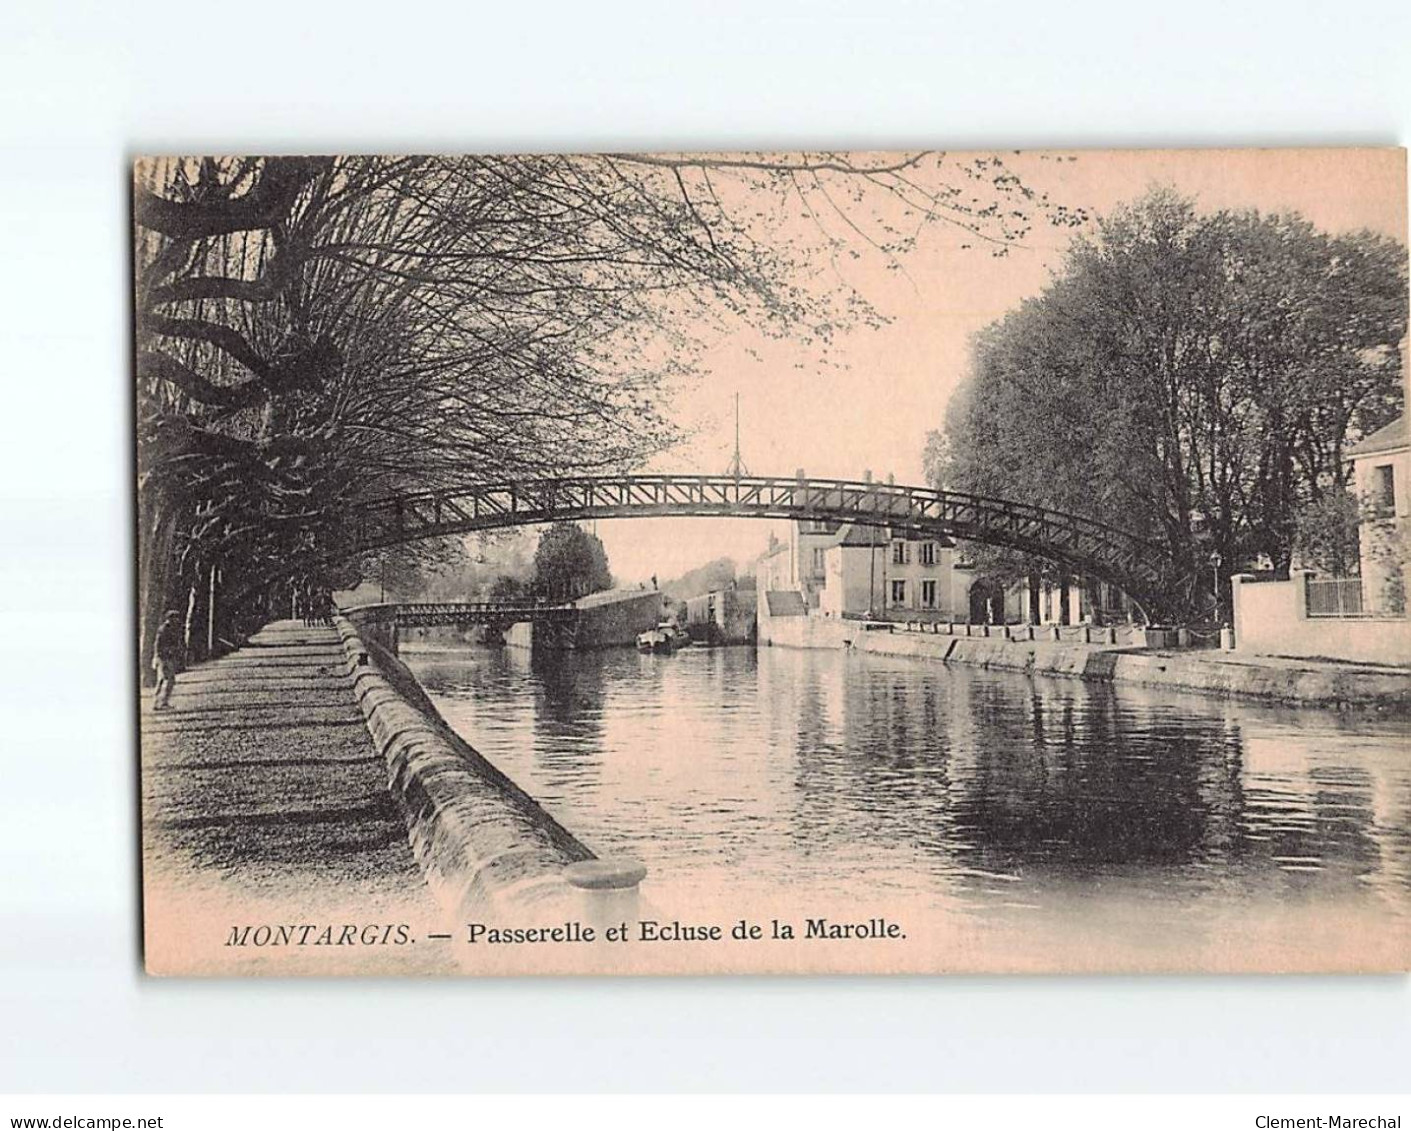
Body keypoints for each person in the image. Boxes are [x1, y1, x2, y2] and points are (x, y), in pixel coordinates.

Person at [152, 610, 184, 711]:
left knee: (167, 680)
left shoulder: (171, 628)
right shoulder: (164, 629)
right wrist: (158, 657)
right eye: (175, 618)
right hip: (163, 658)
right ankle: (157, 702)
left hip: (167, 657)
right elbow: (157, 644)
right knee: (163, 680)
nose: (177, 620)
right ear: (169, 619)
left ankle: (162, 702)